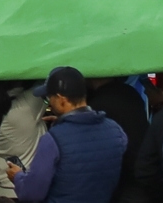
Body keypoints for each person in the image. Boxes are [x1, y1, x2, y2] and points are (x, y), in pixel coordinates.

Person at [7, 67, 127, 203]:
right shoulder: (116, 131)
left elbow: (32, 195)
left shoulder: (53, 140)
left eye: (48, 98)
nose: (49, 104)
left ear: (61, 99)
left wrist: (18, 177)